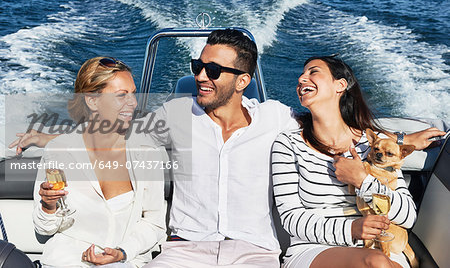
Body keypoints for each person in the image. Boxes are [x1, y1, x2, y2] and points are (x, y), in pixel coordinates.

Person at [10, 31, 445, 267]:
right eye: (198, 66)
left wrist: (406, 142)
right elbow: (113, 129)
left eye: (214, 69)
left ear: (242, 81)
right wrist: (48, 139)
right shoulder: (178, 114)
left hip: (254, 252)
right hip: (183, 250)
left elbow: (334, 123)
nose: (202, 74)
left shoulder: (276, 117)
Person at [271, 55, 422, 268]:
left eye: (313, 72)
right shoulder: (288, 145)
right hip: (314, 248)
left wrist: (362, 180)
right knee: (376, 264)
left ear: (340, 85)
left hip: (382, 245)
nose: (301, 78)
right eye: (302, 74)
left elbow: (408, 216)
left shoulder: (375, 146)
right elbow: (291, 219)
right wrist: (351, 230)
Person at [32, 57, 166, 267]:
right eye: (121, 96)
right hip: (65, 262)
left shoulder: (146, 152)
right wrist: (48, 206)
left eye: (133, 93)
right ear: (92, 101)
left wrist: (122, 253)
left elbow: (155, 224)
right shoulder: (59, 151)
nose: (133, 103)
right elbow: (44, 229)